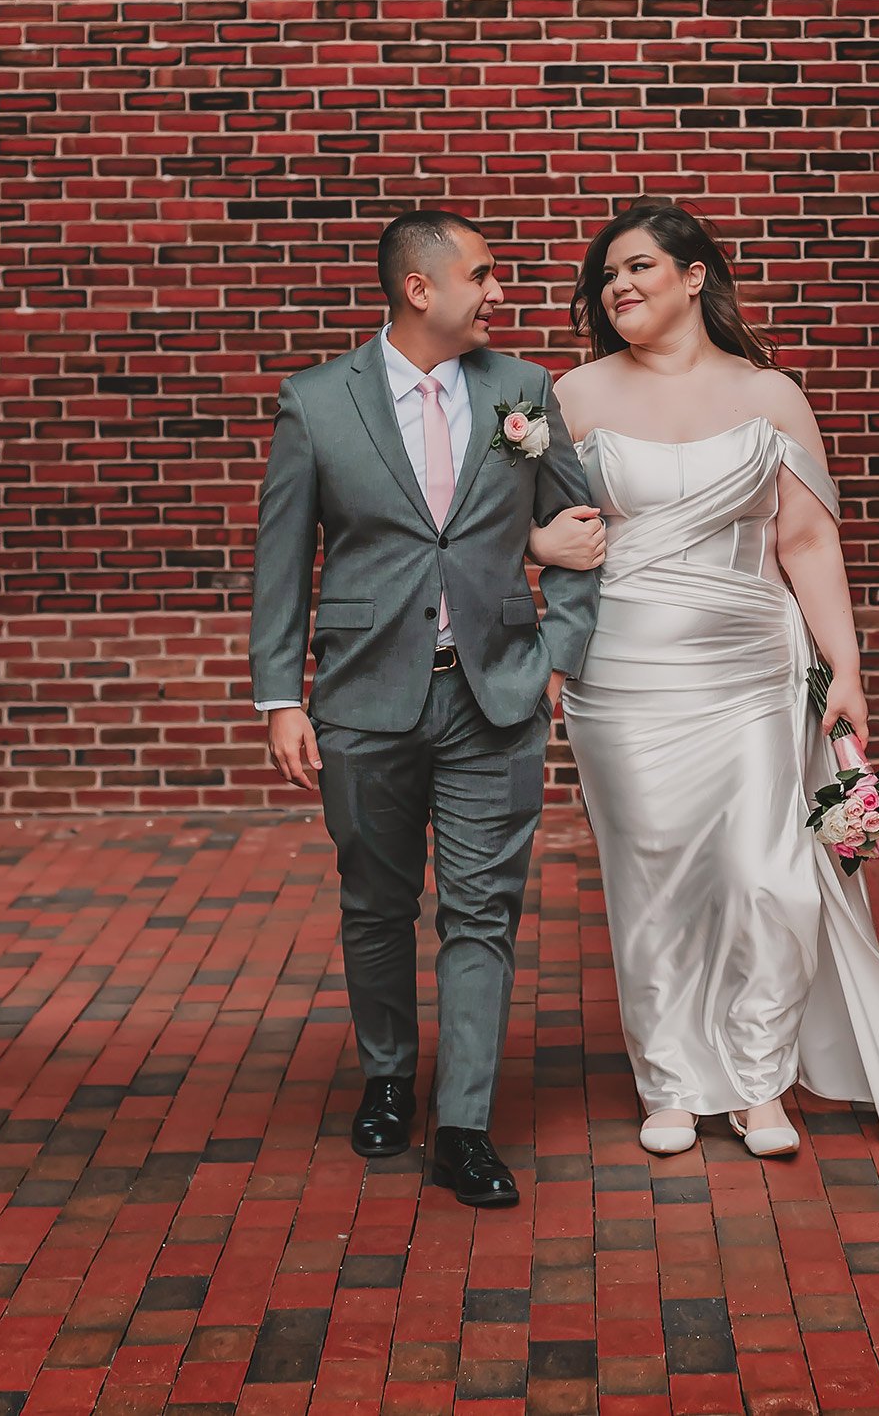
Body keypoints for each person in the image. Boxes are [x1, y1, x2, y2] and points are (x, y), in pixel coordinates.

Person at [530, 200, 879, 1156]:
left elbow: (805, 539)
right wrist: (535, 544)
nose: (619, 286)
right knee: (653, 880)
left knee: (770, 879)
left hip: (755, 669)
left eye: (639, 266)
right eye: (607, 276)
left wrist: (844, 668)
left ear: (694, 276)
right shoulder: (573, 395)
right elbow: (515, 530)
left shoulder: (772, 396)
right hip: (624, 674)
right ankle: (675, 1082)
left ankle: (760, 1081)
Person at [250, 210, 605, 1207]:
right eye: (482, 275)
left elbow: (574, 529)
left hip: (495, 692)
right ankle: (388, 1075)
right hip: (362, 695)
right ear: (420, 289)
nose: (498, 292)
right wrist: (282, 697)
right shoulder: (317, 402)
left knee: (483, 912)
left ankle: (464, 1127)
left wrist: (555, 658)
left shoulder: (521, 393)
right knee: (375, 902)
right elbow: (281, 561)